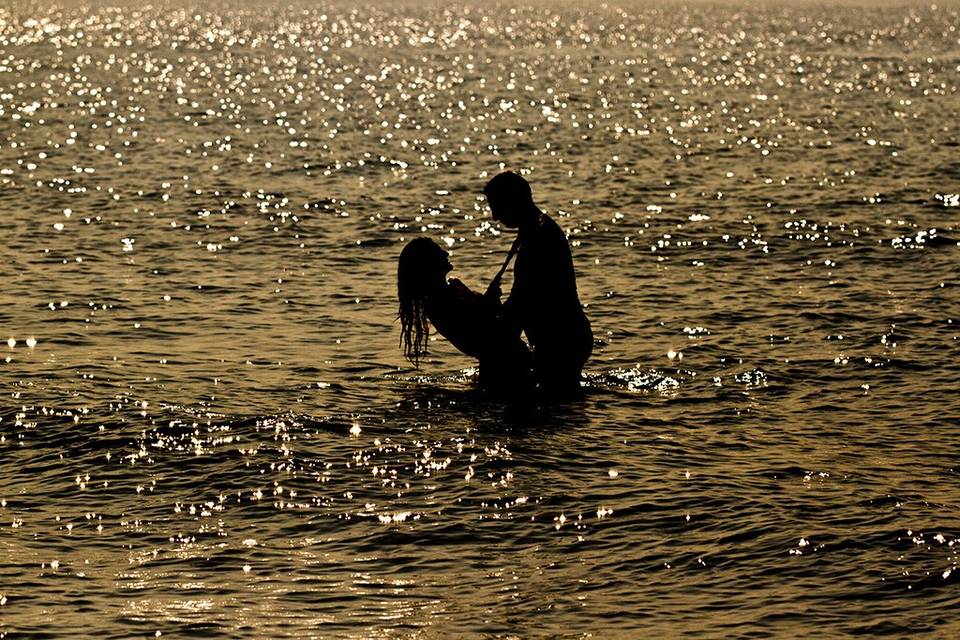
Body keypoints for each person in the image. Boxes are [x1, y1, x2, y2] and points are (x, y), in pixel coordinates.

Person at [483, 171, 592, 398]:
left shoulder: (538, 237)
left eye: (497, 207)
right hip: (564, 338)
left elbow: (523, 299)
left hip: (561, 341)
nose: (494, 217)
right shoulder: (535, 230)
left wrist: (495, 331)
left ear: (513, 201)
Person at [397, 237, 532, 394]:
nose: (445, 252)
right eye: (438, 251)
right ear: (428, 264)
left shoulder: (451, 291)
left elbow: (489, 322)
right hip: (503, 370)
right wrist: (494, 301)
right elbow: (488, 334)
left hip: (502, 367)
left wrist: (491, 302)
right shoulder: (439, 304)